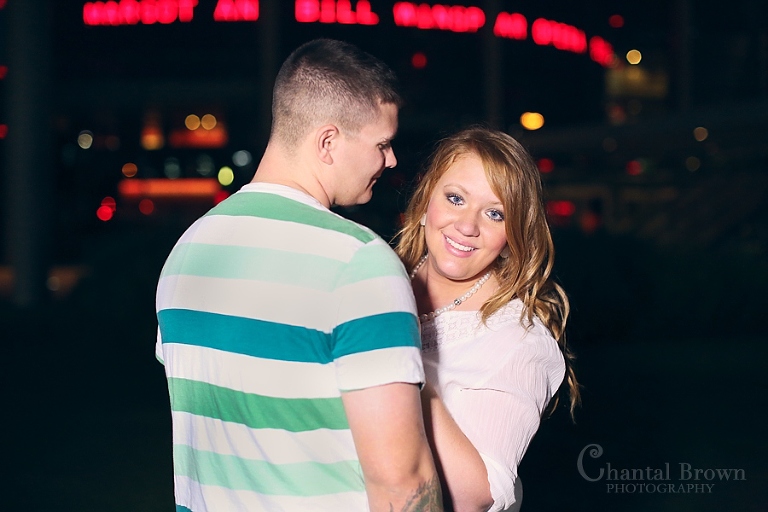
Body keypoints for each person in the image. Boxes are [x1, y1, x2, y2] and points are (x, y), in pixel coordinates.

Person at [155, 39, 443, 512]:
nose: (391, 161)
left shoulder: (186, 253)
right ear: (328, 142)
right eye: (382, 144)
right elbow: (401, 482)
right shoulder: (360, 263)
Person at [395, 127, 580, 512]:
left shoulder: (516, 340)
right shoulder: (376, 276)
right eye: (455, 198)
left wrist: (401, 363)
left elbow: (476, 495)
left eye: (494, 213)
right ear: (428, 196)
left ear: (512, 233)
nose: (468, 225)